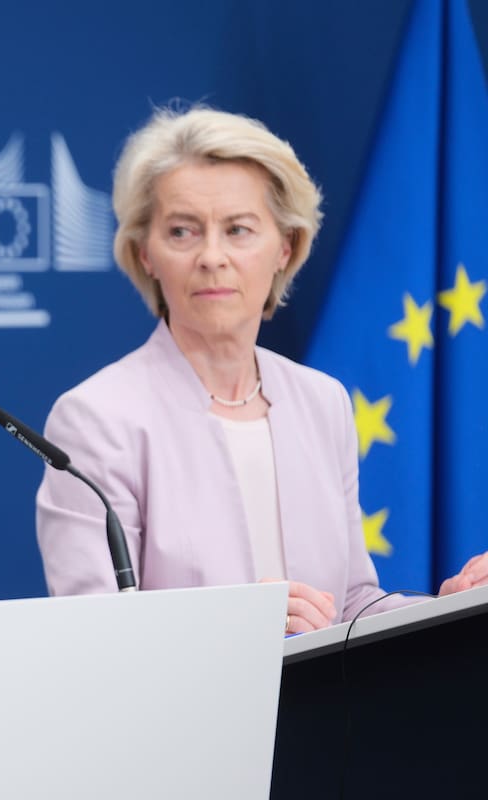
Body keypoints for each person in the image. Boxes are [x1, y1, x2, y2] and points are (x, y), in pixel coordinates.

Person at [36, 106, 488, 632]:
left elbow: (349, 603)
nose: (211, 256)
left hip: (326, 710)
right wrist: (243, 625)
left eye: (239, 230)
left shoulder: (322, 401)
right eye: (182, 232)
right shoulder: (96, 418)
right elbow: (91, 632)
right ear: (146, 255)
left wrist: (450, 606)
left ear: (285, 247)